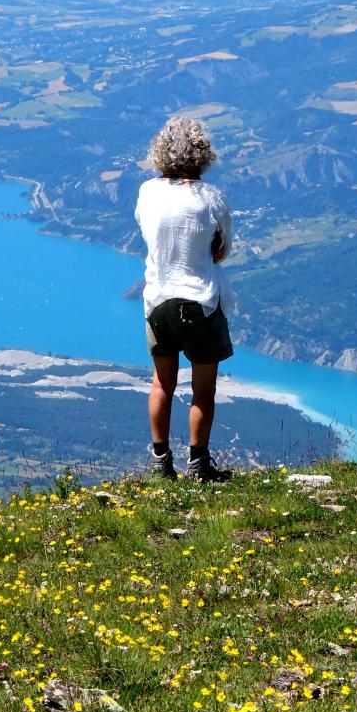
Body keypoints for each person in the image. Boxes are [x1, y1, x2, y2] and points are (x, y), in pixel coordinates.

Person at [134, 115, 235, 482]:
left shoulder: (148, 192)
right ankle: (199, 465)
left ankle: (161, 463)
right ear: (202, 153)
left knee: (162, 383)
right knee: (202, 389)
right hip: (199, 301)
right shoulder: (211, 198)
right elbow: (222, 250)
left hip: (156, 301)